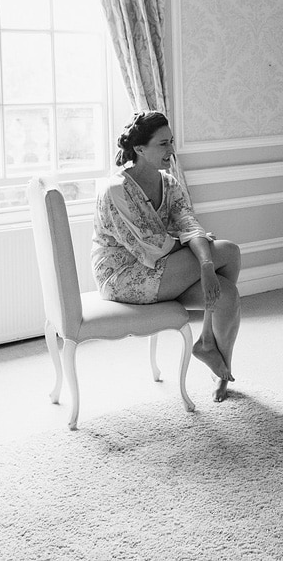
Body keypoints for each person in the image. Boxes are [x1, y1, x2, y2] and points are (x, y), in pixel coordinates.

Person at [92, 110, 242, 402]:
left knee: (228, 293)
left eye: (171, 142)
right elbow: (151, 244)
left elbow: (189, 224)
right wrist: (202, 253)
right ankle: (207, 342)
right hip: (122, 275)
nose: (171, 150)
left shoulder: (168, 183)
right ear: (139, 148)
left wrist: (207, 264)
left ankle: (211, 348)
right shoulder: (115, 190)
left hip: (164, 268)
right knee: (227, 251)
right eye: (163, 144)